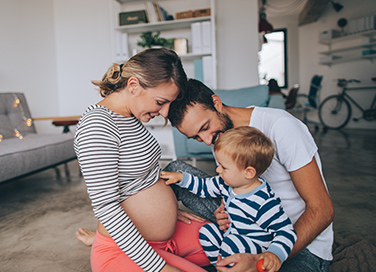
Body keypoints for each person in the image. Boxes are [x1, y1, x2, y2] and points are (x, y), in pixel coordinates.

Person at [165, 79, 334, 272]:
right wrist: (224, 207)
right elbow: (234, 184)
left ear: (217, 103)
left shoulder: (281, 126)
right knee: (176, 171)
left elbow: (322, 210)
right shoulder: (219, 135)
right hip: (246, 227)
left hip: (296, 240)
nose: (206, 140)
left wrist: (262, 260)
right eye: (195, 137)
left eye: (204, 127)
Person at [74, 48, 211, 272]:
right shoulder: (97, 127)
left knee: (232, 247)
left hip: (163, 236)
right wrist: (160, 268)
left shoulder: (129, 115)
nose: (166, 112)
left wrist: (164, 212)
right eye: (160, 102)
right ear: (134, 86)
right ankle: (103, 247)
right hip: (123, 249)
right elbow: (106, 206)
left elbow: (137, 180)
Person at [161, 126, 297, 272]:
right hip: (232, 235)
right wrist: (180, 178)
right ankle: (221, 266)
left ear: (249, 172)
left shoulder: (263, 202)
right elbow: (204, 186)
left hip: (253, 247)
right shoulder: (228, 183)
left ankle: (228, 265)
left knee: (232, 243)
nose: (217, 170)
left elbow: (286, 231)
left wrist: (274, 254)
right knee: (207, 232)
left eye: (223, 167)